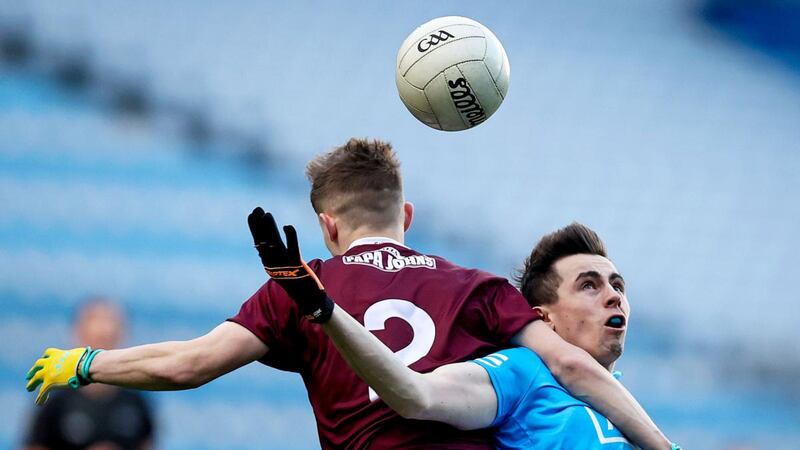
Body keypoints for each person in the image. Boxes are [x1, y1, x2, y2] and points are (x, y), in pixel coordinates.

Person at [26, 139, 670, 449]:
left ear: (328, 226)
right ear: (407, 215)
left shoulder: (302, 285)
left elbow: (190, 365)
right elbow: (567, 363)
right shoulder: (479, 287)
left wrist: (84, 364)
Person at [292, 222, 679, 449]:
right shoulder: (520, 372)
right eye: (589, 286)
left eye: (617, 285)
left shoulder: (622, 403)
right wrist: (326, 312)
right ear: (544, 320)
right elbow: (416, 395)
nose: (614, 296)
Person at [23, 298, 155, 450]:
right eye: (96, 338)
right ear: (78, 334)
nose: (104, 331)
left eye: (108, 337)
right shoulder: (55, 400)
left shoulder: (136, 401)